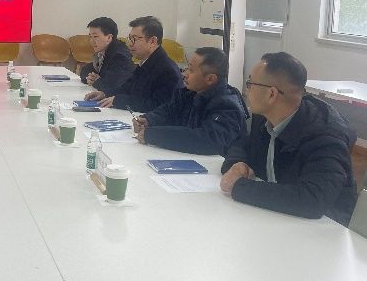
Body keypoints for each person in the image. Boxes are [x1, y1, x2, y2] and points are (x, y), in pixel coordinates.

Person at [220, 52, 357, 226]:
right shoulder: (264, 116)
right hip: (277, 214)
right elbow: (240, 145)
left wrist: (239, 187)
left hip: (324, 228)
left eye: (250, 84)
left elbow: (312, 199)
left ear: (271, 94)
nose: (246, 91)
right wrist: (237, 164)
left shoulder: (326, 138)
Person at [133, 47, 247, 155]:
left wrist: (155, 135)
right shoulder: (190, 93)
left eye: (191, 70)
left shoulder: (227, 106)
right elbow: (169, 112)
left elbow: (207, 140)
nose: (184, 74)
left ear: (210, 79)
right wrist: (148, 119)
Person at [85, 16, 183, 111]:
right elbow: (127, 87)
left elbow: (157, 104)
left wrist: (118, 100)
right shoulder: (146, 62)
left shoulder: (167, 70)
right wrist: (105, 93)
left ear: (152, 41)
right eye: (130, 38)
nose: (130, 43)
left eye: (134, 39)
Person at [79, 17, 134, 96]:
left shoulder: (120, 56)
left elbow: (113, 86)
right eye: (90, 37)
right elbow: (85, 71)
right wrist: (91, 78)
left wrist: (97, 81)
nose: (91, 41)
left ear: (109, 38)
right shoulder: (101, 52)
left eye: (95, 37)